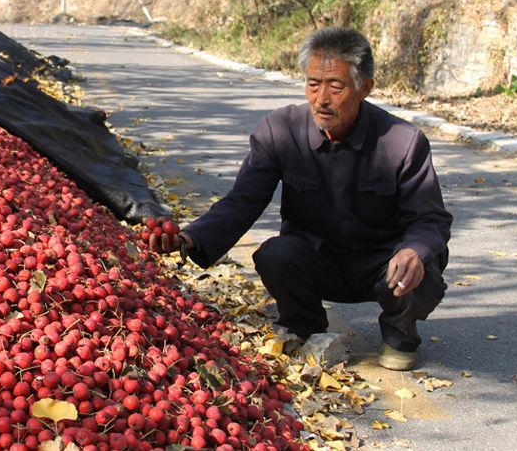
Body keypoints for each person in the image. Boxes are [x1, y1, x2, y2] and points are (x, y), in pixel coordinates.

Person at [150, 27, 452, 371]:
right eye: (313, 84)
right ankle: (304, 324)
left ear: (365, 88)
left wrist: (413, 251)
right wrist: (191, 237)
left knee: (424, 259)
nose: (321, 99)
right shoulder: (280, 130)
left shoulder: (403, 142)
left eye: (335, 86)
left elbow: (430, 218)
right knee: (275, 254)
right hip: (318, 261)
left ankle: (400, 332)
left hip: (384, 266)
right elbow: (243, 200)